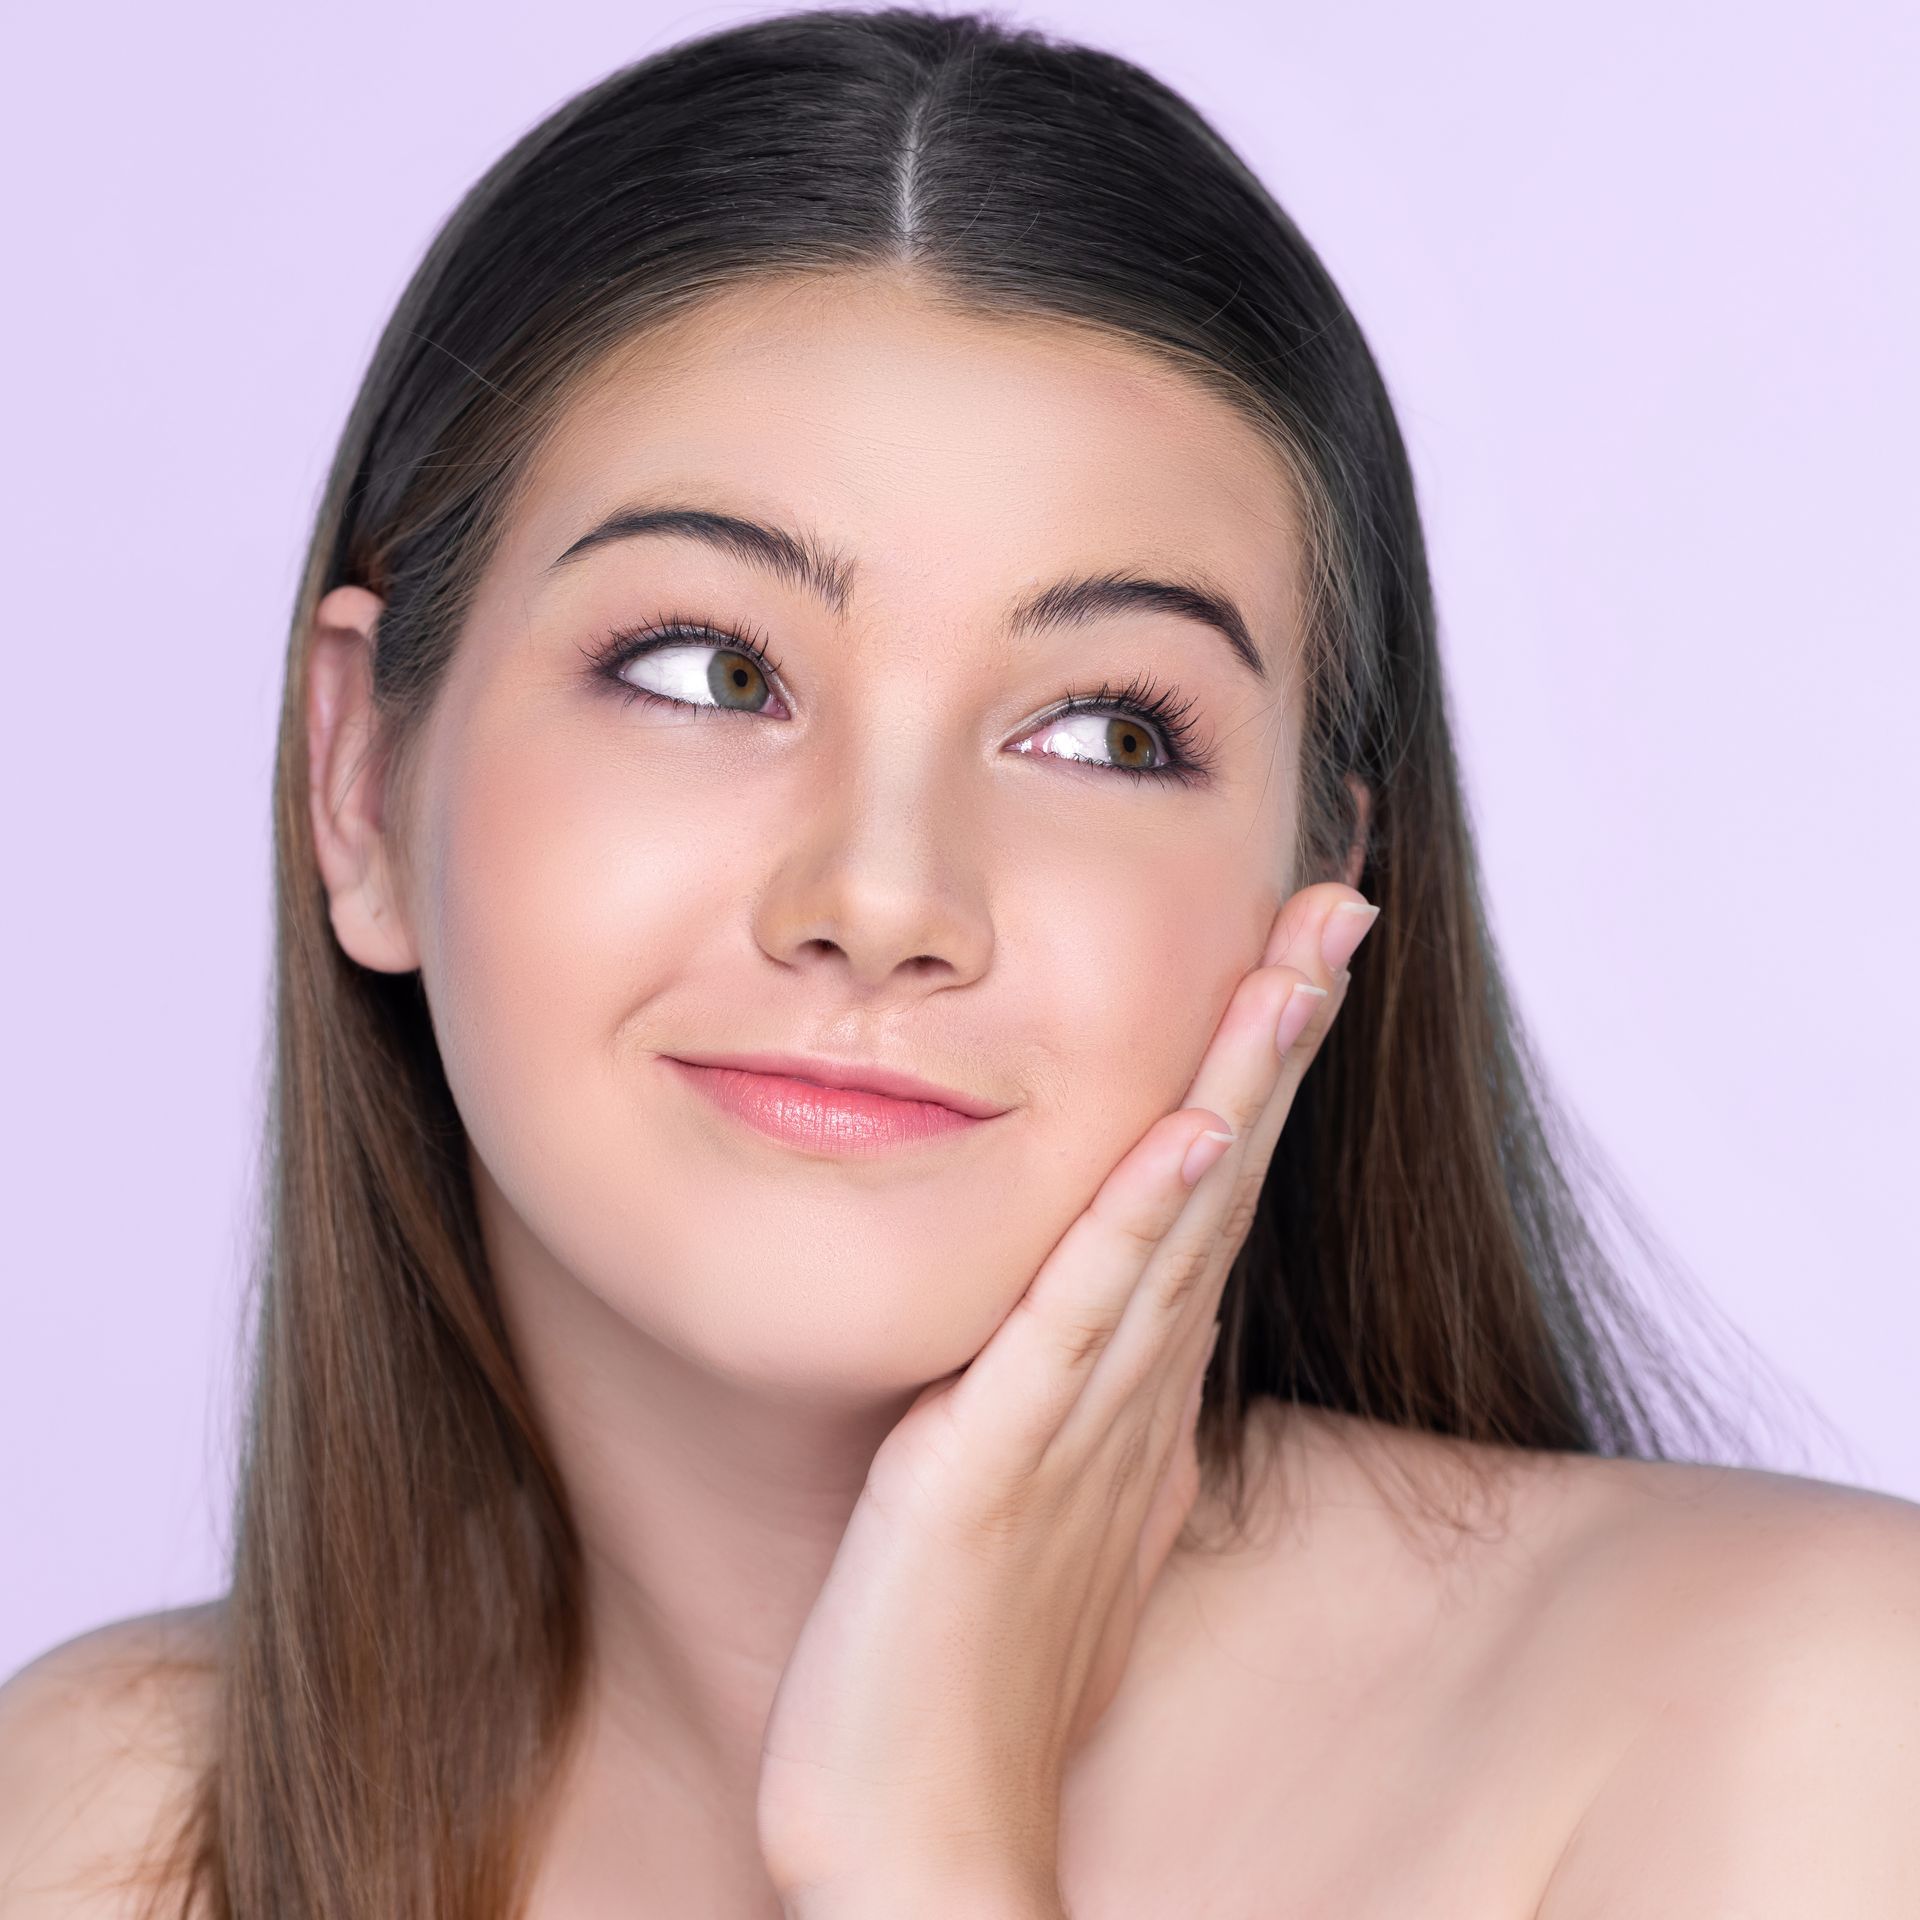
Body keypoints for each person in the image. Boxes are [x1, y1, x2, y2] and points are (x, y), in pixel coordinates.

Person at [3, 8, 1916, 1917]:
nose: (885, 893)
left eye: (1103, 731)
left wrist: (925, 1844)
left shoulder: (1788, 1722)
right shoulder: (118, 1830)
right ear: (359, 780)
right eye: (707, 670)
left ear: (1318, 889)